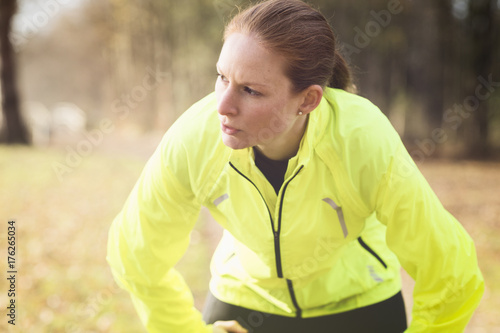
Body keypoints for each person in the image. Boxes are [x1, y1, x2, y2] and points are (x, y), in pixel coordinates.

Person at [106, 0, 484, 332]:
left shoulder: (362, 138)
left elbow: (451, 274)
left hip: (358, 303)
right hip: (245, 300)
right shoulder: (195, 138)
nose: (222, 106)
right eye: (222, 78)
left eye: (251, 90)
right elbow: (135, 256)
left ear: (308, 99)